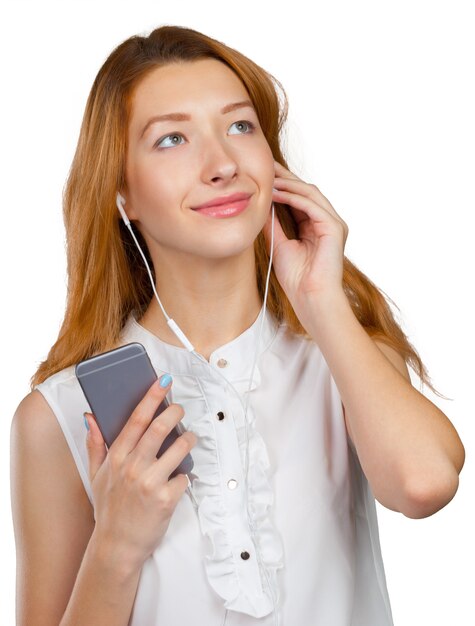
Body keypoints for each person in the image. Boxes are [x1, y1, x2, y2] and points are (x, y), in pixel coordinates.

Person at [10, 25, 465, 626]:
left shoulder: (345, 357)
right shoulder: (59, 416)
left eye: (240, 126)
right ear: (124, 195)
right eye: (172, 138)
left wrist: (320, 298)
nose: (221, 163)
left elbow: (425, 484)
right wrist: (116, 545)